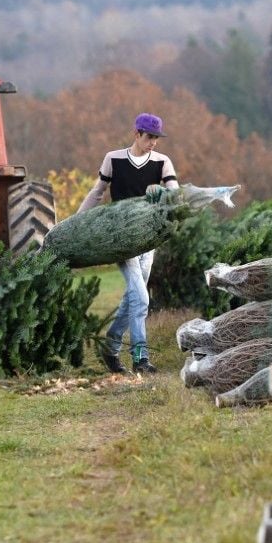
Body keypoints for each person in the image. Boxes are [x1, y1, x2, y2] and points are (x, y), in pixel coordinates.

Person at [77, 112, 178, 374]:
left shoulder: (162, 162)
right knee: (141, 299)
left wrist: (162, 191)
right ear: (136, 134)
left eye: (156, 138)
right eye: (149, 137)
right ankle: (140, 359)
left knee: (133, 296)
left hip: (149, 239)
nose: (153, 142)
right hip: (122, 239)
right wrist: (76, 222)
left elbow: (175, 194)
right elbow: (97, 192)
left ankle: (110, 348)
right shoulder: (114, 159)